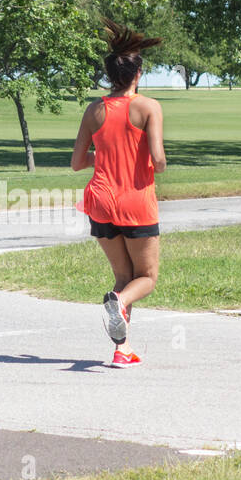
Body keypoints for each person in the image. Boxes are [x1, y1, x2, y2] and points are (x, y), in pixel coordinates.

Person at [70, 18, 166, 368]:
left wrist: (106, 154)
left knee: (125, 277)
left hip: (100, 201)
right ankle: (116, 302)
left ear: (111, 75)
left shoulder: (94, 110)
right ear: (138, 74)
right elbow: (158, 158)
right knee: (146, 278)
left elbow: (78, 162)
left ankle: (121, 350)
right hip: (135, 200)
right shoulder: (148, 107)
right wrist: (157, 161)